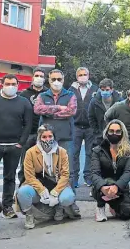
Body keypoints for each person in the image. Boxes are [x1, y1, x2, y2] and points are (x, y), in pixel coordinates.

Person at [0, 73, 32, 219]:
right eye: (7, 84)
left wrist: (21, 143)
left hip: (14, 146)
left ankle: (7, 207)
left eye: (13, 84)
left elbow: (28, 124)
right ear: (2, 85)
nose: (10, 87)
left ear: (18, 85)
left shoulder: (24, 103)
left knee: (10, 177)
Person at [16, 124, 77, 229]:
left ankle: (60, 207)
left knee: (68, 197)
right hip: (37, 185)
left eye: (50, 136)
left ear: (54, 137)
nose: (47, 139)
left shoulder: (62, 152)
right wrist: (41, 189)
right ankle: (29, 214)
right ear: (39, 138)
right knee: (22, 192)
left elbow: (65, 175)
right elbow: (29, 176)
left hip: (57, 184)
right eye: (44, 137)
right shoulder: (30, 152)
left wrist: (56, 192)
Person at [34, 69, 78, 203]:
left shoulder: (71, 95)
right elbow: (37, 109)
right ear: (49, 80)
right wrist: (58, 108)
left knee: (67, 170)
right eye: (53, 79)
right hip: (46, 138)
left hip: (66, 137)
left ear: (63, 80)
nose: (56, 82)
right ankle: (48, 199)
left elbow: (71, 111)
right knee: (46, 169)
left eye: (59, 79)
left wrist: (49, 112)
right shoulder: (43, 95)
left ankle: (69, 202)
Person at [91, 119, 130, 222]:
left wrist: (117, 186)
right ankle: (100, 207)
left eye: (117, 131)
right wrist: (102, 187)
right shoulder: (97, 150)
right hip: (102, 188)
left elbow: (129, 172)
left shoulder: (129, 151)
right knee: (106, 181)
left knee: (126, 214)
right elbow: (94, 173)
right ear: (107, 132)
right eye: (111, 131)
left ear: (122, 133)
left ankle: (113, 205)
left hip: (120, 188)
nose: (114, 134)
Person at [68, 67, 99, 188]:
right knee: (74, 153)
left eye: (85, 74)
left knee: (90, 153)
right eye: (80, 75)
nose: (83, 76)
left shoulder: (95, 89)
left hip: (90, 127)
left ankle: (88, 177)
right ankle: (74, 178)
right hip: (75, 126)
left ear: (89, 75)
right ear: (77, 77)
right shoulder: (71, 90)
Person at [18, 68, 48, 183]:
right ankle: (22, 183)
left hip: (44, 134)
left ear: (44, 79)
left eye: (41, 76)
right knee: (25, 161)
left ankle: (42, 185)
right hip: (27, 133)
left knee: (43, 162)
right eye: (37, 75)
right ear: (32, 77)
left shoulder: (48, 94)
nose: (39, 78)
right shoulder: (24, 94)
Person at [88, 78, 122, 144]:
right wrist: (97, 132)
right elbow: (91, 117)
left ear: (112, 90)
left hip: (116, 134)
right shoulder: (94, 101)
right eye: (102, 90)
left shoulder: (119, 101)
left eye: (107, 90)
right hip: (100, 135)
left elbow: (123, 117)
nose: (105, 92)